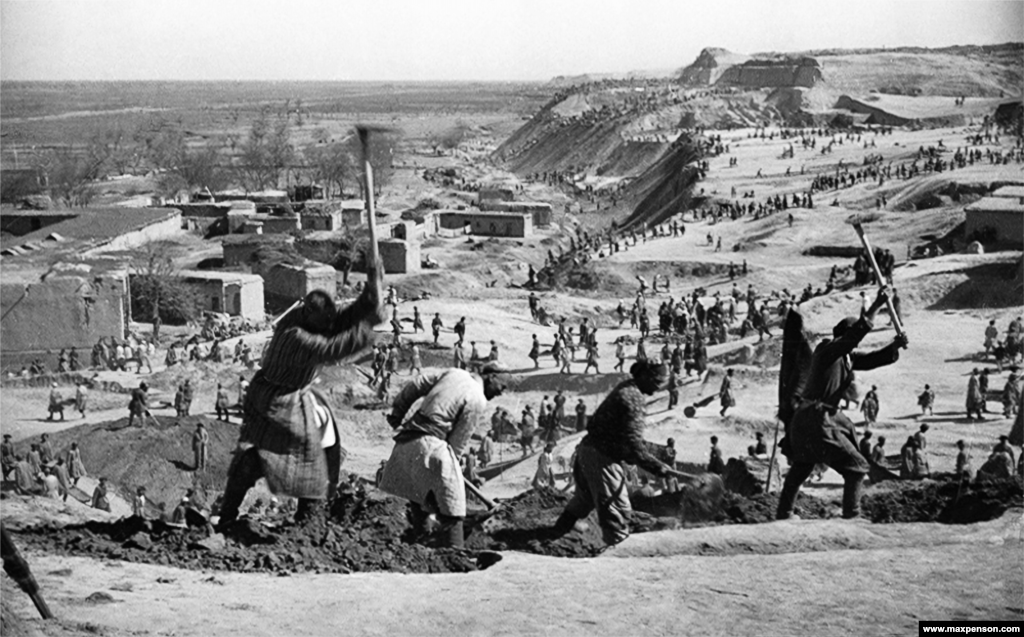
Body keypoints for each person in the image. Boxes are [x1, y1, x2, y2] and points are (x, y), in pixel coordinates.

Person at [217, 259, 385, 528]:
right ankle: (306, 516)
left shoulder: (308, 318)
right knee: (302, 449)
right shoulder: (295, 336)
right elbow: (332, 348)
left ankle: (307, 510)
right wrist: (367, 329)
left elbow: (339, 320)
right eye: (324, 322)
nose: (328, 324)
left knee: (323, 433)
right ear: (310, 317)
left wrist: (368, 298)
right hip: (276, 399)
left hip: (289, 393)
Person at [777, 288, 906, 520]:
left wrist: (895, 346)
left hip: (807, 420)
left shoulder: (846, 358)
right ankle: (852, 513)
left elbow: (873, 358)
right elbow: (852, 338)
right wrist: (877, 304)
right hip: (816, 420)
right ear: (844, 336)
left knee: (801, 467)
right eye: (852, 338)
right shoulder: (827, 349)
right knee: (856, 467)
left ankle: (784, 513)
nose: (854, 346)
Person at [549, 360, 690, 547]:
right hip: (602, 457)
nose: (659, 386)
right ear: (645, 377)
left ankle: (556, 534)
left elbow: (629, 439)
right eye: (657, 381)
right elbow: (634, 445)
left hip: (589, 450)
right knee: (618, 512)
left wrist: (656, 457)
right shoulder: (633, 399)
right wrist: (657, 467)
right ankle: (616, 555)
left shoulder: (628, 388)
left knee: (584, 500)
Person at [378, 364, 510, 548]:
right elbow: (457, 445)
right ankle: (455, 556)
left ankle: (420, 549)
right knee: (453, 510)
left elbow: (416, 384)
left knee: (419, 500)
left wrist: (398, 413)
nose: (501, 392)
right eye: (502, 386)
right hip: (433, 448)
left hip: (405, 444)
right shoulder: (477, 399)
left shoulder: (454, 373)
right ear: (492, 377)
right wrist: (453, 471)